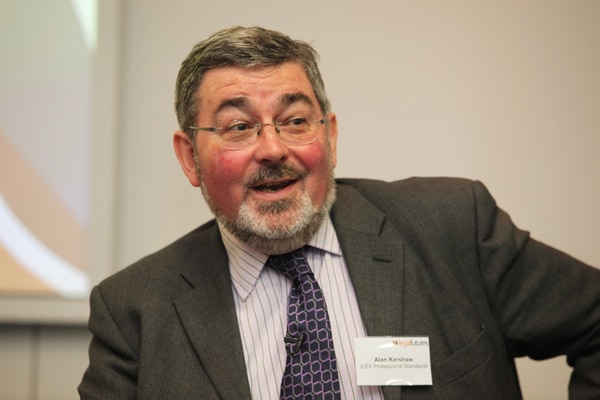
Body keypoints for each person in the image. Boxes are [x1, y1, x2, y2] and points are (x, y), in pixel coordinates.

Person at [78, 26, 600, 400]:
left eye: (295, 120)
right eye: (238, 127)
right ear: (190, 157)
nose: (272, 149)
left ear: (329, 137)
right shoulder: (134, 312)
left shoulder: (454, 227)